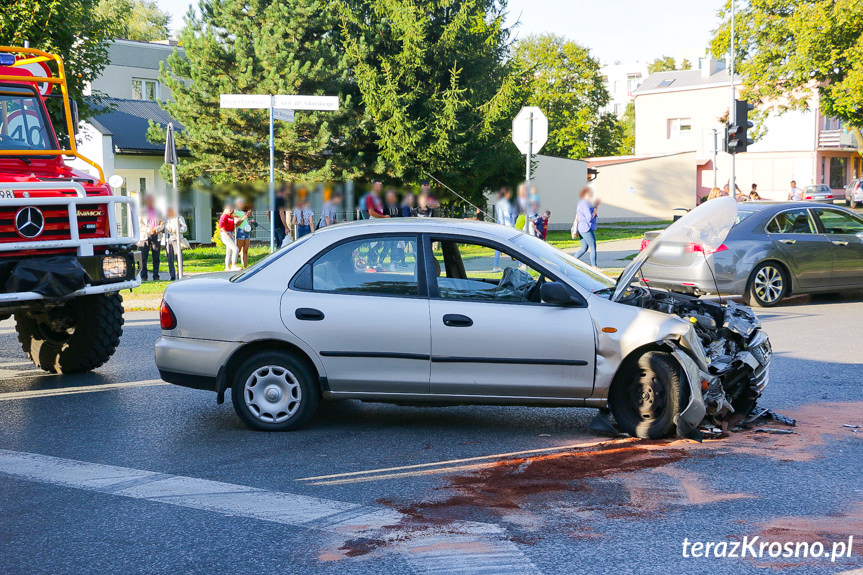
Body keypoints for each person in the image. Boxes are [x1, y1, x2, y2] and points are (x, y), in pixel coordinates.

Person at [138, 194, 164, 281]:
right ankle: (144, 276)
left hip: (156, 235)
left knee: (156, 257)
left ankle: (156, 276)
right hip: (145, 236)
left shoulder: (159, 211)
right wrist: (149, 230)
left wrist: (156, 229)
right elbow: (139, 224)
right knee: (143, 258)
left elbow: (163, 223)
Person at [572, 187, 600, 268]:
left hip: (581, 227)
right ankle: (594, 266)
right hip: (586, 228)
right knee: (593, 247)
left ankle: (571, 262)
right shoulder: (586, 204)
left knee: (584, 248)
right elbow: (589, 217)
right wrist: (595, 211)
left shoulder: (580, 203)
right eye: (590, 194)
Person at [492, 187, 514, 272]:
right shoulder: (507, 204)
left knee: (498, 247)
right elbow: (508, 217)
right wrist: (511, 229)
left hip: (500, 227)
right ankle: (520, 264)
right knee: (515, 246)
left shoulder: (499, 204)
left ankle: (496, 266)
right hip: (507, 228)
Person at [164, 206, 187, 281]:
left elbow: (184, 228)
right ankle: (172, 276)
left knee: (178, 257)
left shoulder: (179, 217)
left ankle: (180, 275)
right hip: (168, 240)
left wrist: (175, 230)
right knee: (170, 258)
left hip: (176, 239)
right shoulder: (166, 219)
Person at [218, 203, 241, 271]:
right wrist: (227, 234)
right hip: (226, 234)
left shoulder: (231, 217)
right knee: (236, 249)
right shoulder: (224, 216)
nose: (230, 209)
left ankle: (227, 267)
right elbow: (221, 226)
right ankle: (234, 265)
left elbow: (233, 227)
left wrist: (235, 222)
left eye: (231, 208)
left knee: (229, 251)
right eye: (229, 208)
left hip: (230, 233)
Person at [233, 197, 253, 268]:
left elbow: (244, 221)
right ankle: (233, 264)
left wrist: (249, 221)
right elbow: (237, 224)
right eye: (241, 203)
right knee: (238, 249)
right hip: (241, 231)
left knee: (245, 250)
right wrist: (244, 218)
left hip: (247, 231)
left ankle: (245, 267)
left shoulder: (243, 212)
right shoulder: (235, 212)